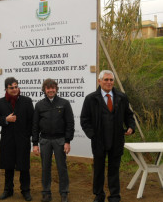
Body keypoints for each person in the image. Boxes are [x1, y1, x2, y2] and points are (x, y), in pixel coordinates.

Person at [80, 70, 135, 202]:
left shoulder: (122, 97)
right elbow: (84, 119)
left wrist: (131, 127)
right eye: (106, 79)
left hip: (116, 140)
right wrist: (92, 135)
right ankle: (99, 195)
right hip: (99, 141)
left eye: (111, 80)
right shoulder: (91, 99)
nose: (109, 82)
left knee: (114, 169)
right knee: (98, 170)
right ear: (99, 81)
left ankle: (114, 196)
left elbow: (129, 115)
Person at [32, 78, 75, 202]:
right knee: (45, 167)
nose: (51, 90)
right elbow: (35, 125)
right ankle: (46, 192)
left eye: (53, 88)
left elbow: (70, 123)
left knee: (62, 167)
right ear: (44, 90)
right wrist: (35, 144)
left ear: (56, 89)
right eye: (48, 88)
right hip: (44, 140)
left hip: (60, 140)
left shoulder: (65, 103)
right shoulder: (39, 105)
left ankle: (64, 193)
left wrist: (67, 141)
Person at [0, 77, 34, 201]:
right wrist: (6, 119)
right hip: (7, 139)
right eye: (11, 87)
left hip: (23, 139)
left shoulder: (27, 101)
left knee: (24, 166)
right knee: (8, 166)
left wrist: (27, 135)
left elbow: (32, 121)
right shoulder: (1, 102)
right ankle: (8, 190)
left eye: (16, 87)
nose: (15, 89)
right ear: (6, 89)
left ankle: (25, 190)